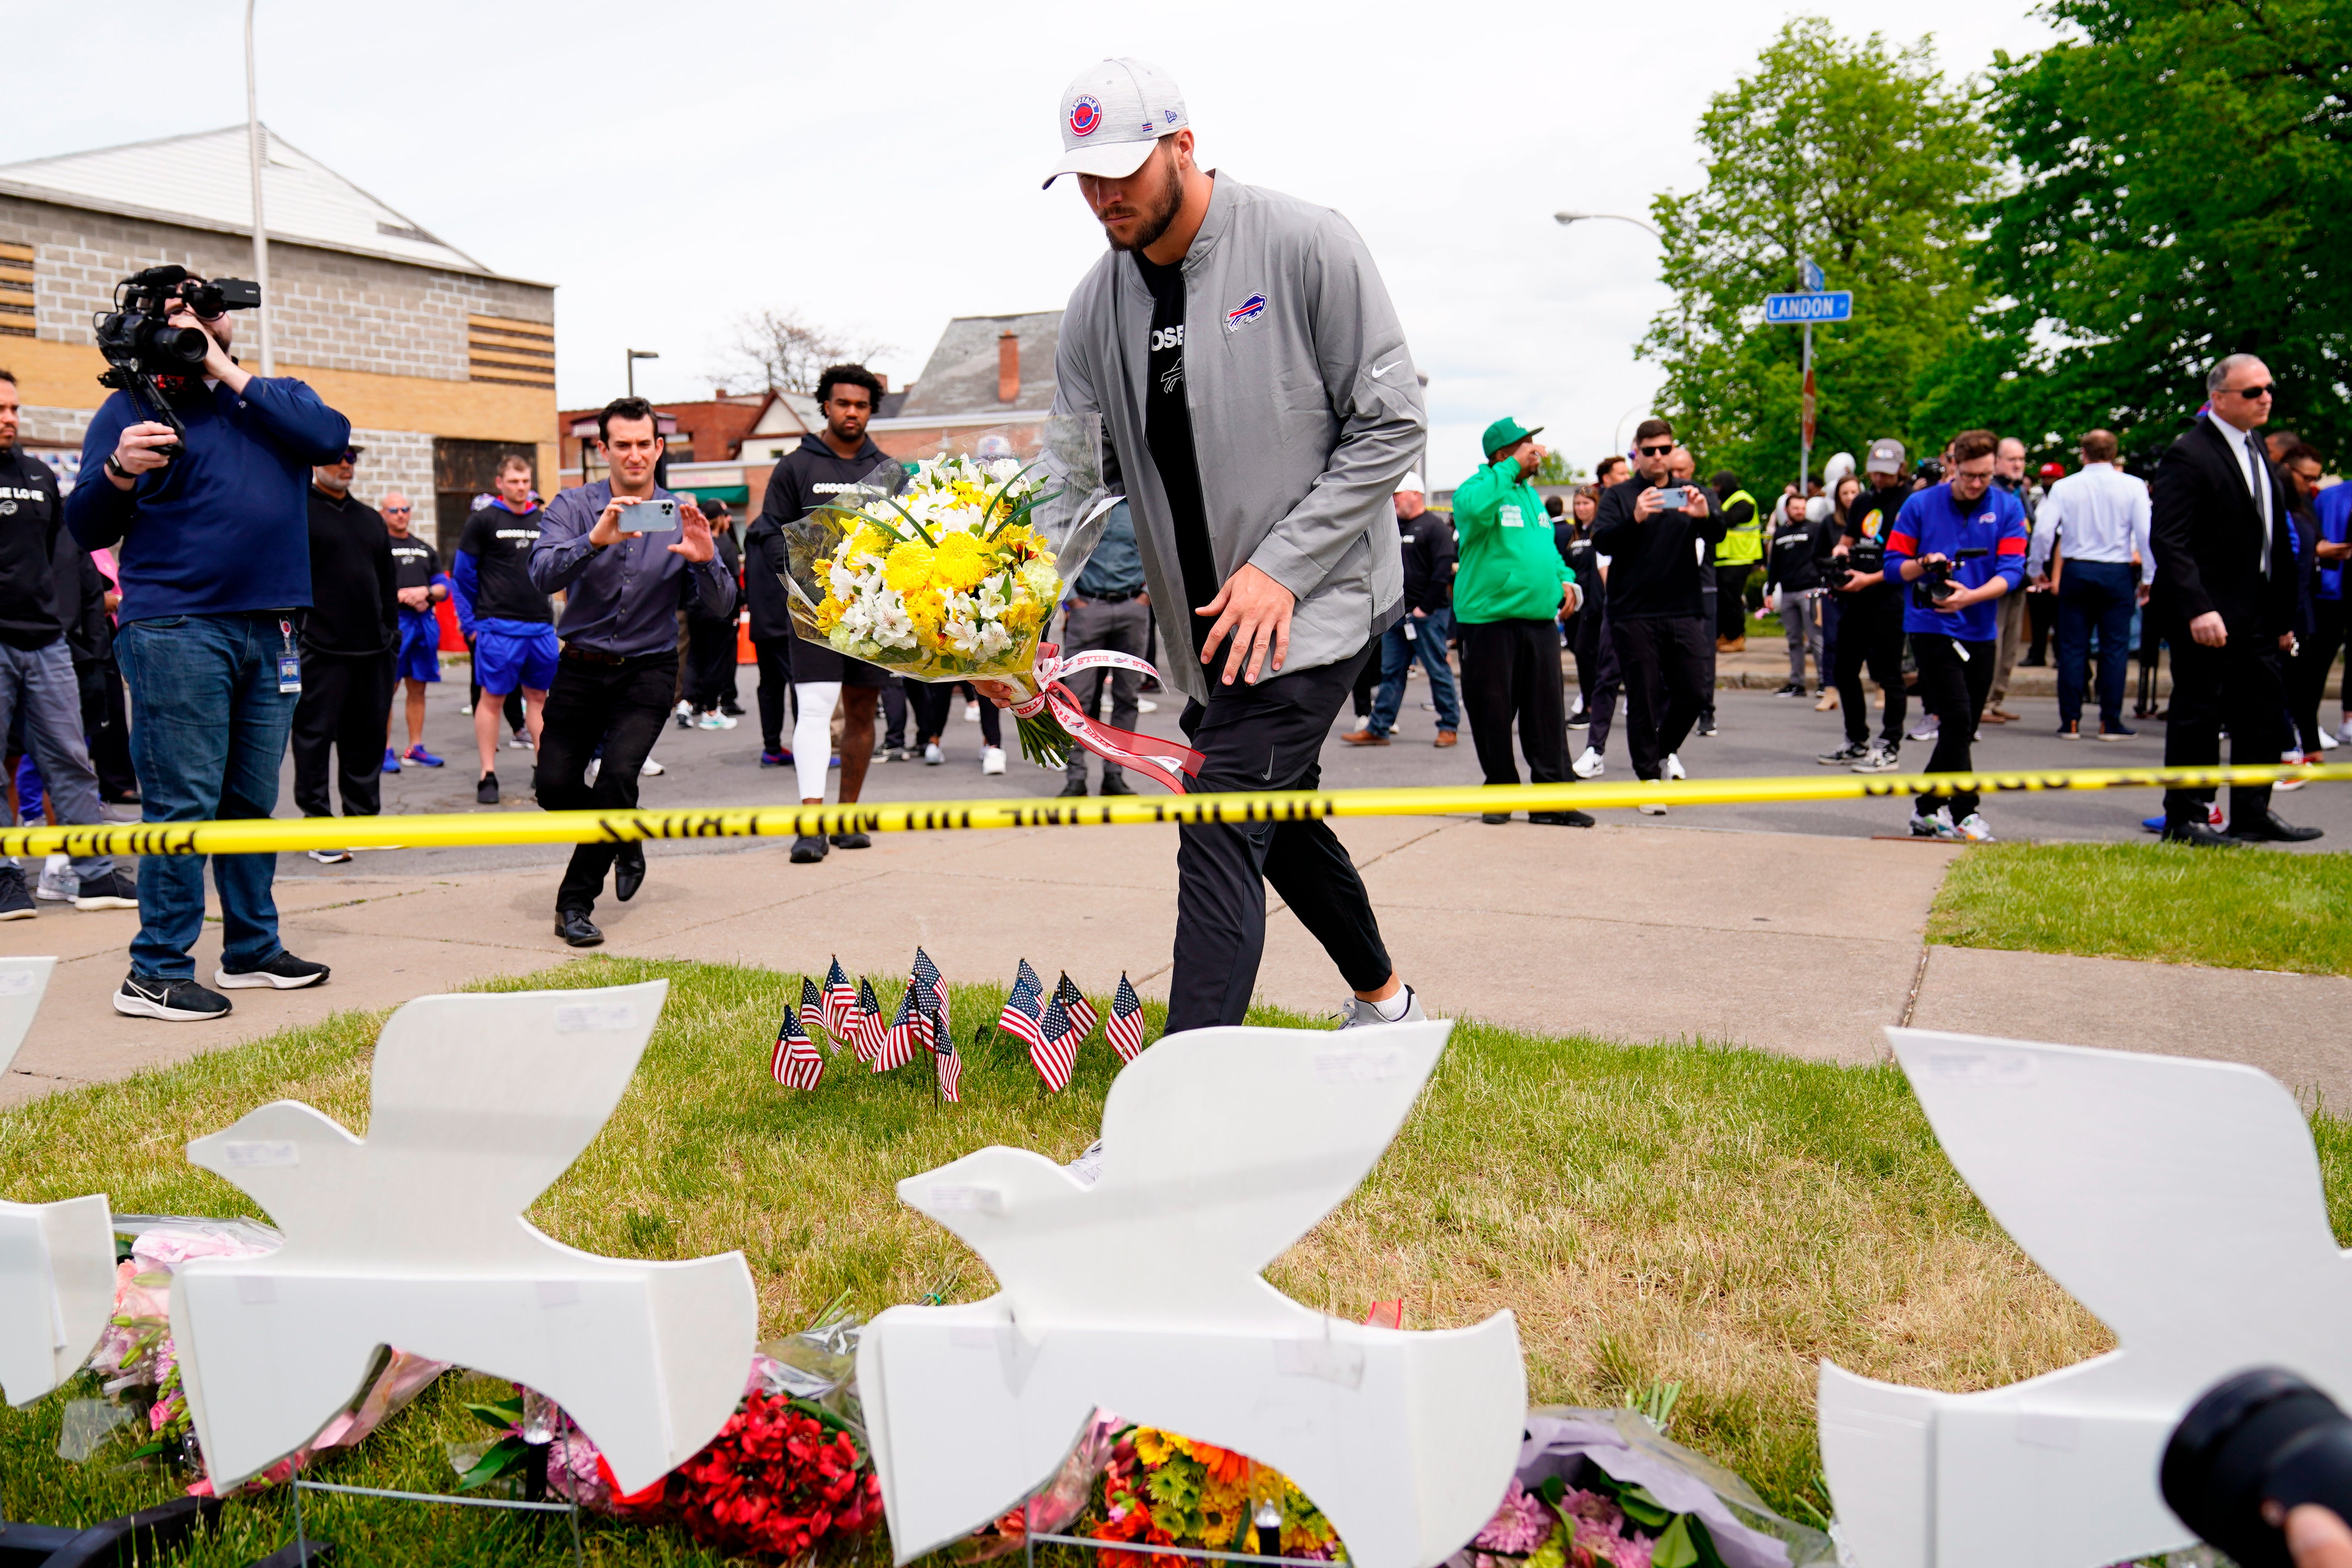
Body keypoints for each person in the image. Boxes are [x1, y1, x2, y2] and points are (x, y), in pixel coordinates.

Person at [1017, 55, 1425, 1031]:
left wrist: (1280, 571)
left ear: (1183, 146)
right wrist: (1011, 625)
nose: (1104, 194)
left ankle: (1180, 1103)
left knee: (1218, 817)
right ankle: (1387, 1002)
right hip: (1203, 631)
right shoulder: (1093, 306)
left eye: (1124, 167)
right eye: (1085, 174)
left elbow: (1392, 422)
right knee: (1271, 818)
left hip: (1314, 605)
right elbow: (1070, 478)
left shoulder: (1306, 244)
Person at [66, 270, 349, 1019]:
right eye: (177, 317)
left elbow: (331, 439)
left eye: (207, 313)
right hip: (178, 627)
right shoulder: (128, 408)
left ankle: (252, 948)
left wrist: (221, 369)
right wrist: (119, 469)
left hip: (276, 626)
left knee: (251, 800)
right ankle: (155, 970)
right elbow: (86, 527)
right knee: (183, 803)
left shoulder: (274, 397)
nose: (195, 324)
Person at [529, 397, 735, 944]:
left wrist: (707, 559)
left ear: (659, 447)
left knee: (619, 774)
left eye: (645, 444)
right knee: (552, 788)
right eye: (623, 444)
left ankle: (574, 904)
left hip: (648, 670)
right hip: (579, 666)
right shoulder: (573, 506)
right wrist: (595, 540)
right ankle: (626, 833)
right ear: (604, 450)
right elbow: (540, 576)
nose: (635, 454)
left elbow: (719, 609)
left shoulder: (681, 513)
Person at [2146, 355, 2320, 845]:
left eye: (2268, 388)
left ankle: (2252, 811)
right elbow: (2170, 539)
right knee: (2198, 715)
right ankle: (2187, 818)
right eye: (2252, 392)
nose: (2265, 397)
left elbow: (2270, 538)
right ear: (2219, 398)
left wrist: (2284, 614)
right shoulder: (2188, 453)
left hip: (2260, 613)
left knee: (2262, 715)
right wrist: (2198, 607)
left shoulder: (2256, 447)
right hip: (2209, 613)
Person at [0, 370, 137, 920]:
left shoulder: (36, 475)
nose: (9, 418)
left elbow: (68, 556)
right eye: (0, 409)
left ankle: (93, 872)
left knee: (72, 758)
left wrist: (75, 629)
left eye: (13, 408)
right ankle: (6, 877)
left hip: (47, 641)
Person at [748, 364, 894, 863]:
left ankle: (846, 819)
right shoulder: (795, 467)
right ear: (825, 406)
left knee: (860, 711)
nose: (851, 412)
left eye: (860, 405)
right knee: (813, 710)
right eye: (842, 403)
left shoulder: (888, 469)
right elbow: (769, 531)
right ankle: (811, 826)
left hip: (876, 615)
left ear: (870, 410)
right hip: (814, 614)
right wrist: (796, 581)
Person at [1883, 429, 2029, 841]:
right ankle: (1965, 813)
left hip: (1980, 625)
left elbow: (2013, 570)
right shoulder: (1920, 504)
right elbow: (1892, 567)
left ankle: (1926, 809)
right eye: (1968, 475)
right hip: (1930, 625)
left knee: (1961, 728)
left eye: (1984, 475)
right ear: (1952, 466)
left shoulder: (2007, 505)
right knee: (1957, 717)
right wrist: (1923, 563)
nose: (1976, 484)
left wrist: (1972, 597)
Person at [1448, 420, 1588, 826]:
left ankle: (1552, 802)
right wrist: (1508, 468)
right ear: (1503, 452)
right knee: (1491, 712)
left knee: (1546, 714)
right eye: (1526, 445)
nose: (1536, 451)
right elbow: (1473, 512)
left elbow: (1545, 550)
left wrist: (1565, 580)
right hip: (1489, 621)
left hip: (1539, 621)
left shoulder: (1531, 498)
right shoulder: (1476, 488)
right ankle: (1500, 792)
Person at [1590, 419, 1721, 813]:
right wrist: (1636, 518)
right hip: (1634, 613)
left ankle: (1661, 751)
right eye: (1650, 451)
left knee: (1694, 693)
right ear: (1637, 453)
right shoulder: (1619, 495)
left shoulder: (1689, 493)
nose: (1659, 458)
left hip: (1683, 607)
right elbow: (1602, 540)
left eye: (1665, 449)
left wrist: (1703, 516)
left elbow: (1718, 535)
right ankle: (1648, 778)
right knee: (1644, 697)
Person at [291, 445, 397, 861]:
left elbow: (387, 585)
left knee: (367, 739)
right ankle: (318, 827)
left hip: (373, 649)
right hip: (320, 647)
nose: (345, 465)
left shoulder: (370, 519)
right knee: (313, 738)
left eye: (351, 458)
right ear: (316, 463)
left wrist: (392, 636)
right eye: (338, 458)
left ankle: (363, 820)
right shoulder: (299, 513)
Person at [2027, 429, 2152, 741]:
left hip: (2077, 568)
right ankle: (2109, 721)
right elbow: (2146, 534)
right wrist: (2149, 576)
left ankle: (2070, 720)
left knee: (2072, 647)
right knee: (2114, 648)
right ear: (2113, 453)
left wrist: (2035, 568)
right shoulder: (2133, 486)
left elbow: (2043, 531)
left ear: (2083, 453)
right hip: (2116, 571)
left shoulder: (2065, 487)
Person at [453, 456, 554, 804]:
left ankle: (545, 770)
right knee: (492, 699)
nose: (520, 487)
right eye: (513, 481)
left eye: (525, 481)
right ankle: (488, 774)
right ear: (500, 483)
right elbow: (463, 576)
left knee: (539, 698)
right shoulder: (483, 520)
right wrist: (475, 622)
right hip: (498, 627)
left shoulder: (544, 520)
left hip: (539, 626)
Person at [1818, 440, 1914, 771]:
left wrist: (1869, 578)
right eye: (1874, 471)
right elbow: (1848, 539)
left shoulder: (1910, 501)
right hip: (1855, 597)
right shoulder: (1862, 500)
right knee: (1843, 670)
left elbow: (1911, 559)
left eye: (1886, 472)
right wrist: (1841, 554)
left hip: (1889, 597)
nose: (1879, 477)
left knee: (1888, 675)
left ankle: (1888, 745)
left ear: (1901, 468)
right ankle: (1855, 739)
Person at [1345, 473, 1460, 749]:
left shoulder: (1435, 528)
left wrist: (1425, 609)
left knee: (1436, 669)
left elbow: (1443, 570)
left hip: (1427, 616)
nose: (1394, 500)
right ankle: (1379, 727)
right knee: (1391, 672)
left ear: (1416, 495)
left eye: (1398, 495)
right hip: (1397, 615)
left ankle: (1449, 727)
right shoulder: (1396, 527)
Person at [1058, 498, 1152, 795]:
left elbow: (1157, 551)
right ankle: (1076, 778)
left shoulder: (1140, 504)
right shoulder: (1082, 505)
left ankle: (1115, 774)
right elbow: (1060, 553)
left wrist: (1146, 596)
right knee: (1077, 699)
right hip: (1088, 608)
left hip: (1131, 607)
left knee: (1127, 697)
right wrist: (1072, 599)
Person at [381, 489, 449, 769]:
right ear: (383, 514)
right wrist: (399, 596)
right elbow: (368, 584)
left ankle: (415, 748)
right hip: (394, 625)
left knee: (418, 688)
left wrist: (426, 593)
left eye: (405, 509)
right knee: (387, 688)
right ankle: (383, 751)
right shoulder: (379, 548)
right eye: (394, 510)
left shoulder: (424, 548)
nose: (401, 515)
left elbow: (444, 588)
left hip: (423, 626)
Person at [2277, 442, 2332, 763]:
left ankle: (2300, 749)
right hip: (2290, 609)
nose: (2311, 484)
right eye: (2306, 477)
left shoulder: (2302, 507)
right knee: (2287, 688)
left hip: (2299, 608)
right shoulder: (2279, 508)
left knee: (2300, 687)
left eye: (2316, 478)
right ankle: (2297, 749)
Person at [1982, 437, 2040, 722]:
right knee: (1994, 639)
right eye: (2012, 459)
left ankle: (1996, 699)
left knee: (2011, 643)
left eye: (2021, 459)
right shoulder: (1991, 493)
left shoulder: (2019, 492)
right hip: (1998, 577)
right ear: (1997, 462)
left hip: (2020, 576)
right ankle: (1981, 701)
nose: (2018, 464)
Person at [1561, 486, 1618, 777]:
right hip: (1578, 608)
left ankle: (1592, 708)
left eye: (1586, 503)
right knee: (1582, 655)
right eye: (1578, 503)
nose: (1582, 508)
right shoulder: (1575, 536)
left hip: (1599, 608)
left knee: (1597, 661)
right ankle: (1588, 701)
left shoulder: (1601, 532)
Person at [1763, 491, 1835, 697]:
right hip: (1787, 592)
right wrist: (1770, 590)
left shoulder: (1814, 529)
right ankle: (1797, 683)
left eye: (1803, 508)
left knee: (1816, 638)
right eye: (1796, 508)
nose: (1800, 512)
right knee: (1794, 640)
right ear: (1786, 510)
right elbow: (1774, 565)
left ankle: (1825, 682)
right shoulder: (1779, 534)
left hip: (1809, 591)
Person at [683, 496, 744, 729]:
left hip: (695, 608)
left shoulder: (696, 542)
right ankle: (711, 710)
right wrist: (737, 608)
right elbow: (733, 582)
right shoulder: (725, 546)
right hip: (719, 611)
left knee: (695, 657)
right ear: (719, 519)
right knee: (716, 661)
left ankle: (687, 703)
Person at [2312, 454, 2352, 749]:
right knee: (2318, 658)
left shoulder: (2331, 496)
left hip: (2333, 587)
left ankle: (2348, 720)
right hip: (2331, 590)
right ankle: (2305, 723)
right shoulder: (2332, 497)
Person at [1711, 470, 1761, 652]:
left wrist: (1712, 508)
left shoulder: (1743, 501)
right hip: (1725, 559)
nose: (1714, 490)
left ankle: (1736, 637)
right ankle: (1724, 635)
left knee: (1731, 600)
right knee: (1722, 601)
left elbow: (1728, 521)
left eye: (1717, 486)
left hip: (1740, 557)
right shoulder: (1727, 502)